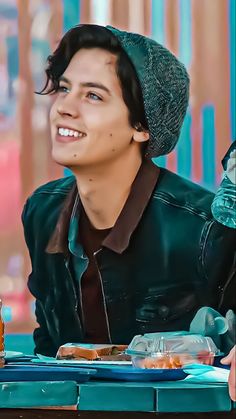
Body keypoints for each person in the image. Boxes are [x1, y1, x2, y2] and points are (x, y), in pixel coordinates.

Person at [22, 24, 235, 400]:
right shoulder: (42, 210)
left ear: (141, 126)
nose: (65, 107)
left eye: (93, 96)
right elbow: (47, 349)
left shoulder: (205, 229)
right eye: (66, 89)